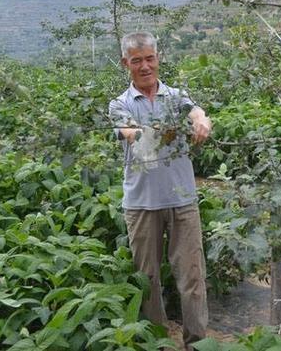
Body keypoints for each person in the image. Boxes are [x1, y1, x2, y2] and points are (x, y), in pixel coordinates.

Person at [108, 31, 211, 349]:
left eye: (149, 58)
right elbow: (137, 140)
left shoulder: (178, 97)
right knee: (148, 279)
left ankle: (197, 343)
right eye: (136, 60)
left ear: (158, 58)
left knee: (192, 276)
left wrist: (200, 118)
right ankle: (158, 343)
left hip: (182, 200)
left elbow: (195, 111)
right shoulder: (119, 105)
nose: (144, 66)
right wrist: (167, 131)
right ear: (126, 63)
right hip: (141, 204)